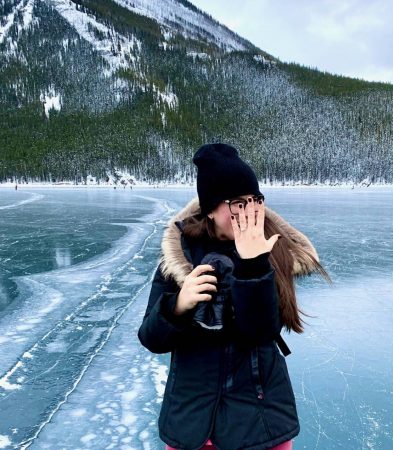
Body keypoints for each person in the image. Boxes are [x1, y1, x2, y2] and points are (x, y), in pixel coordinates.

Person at [138, 143, 331, 450]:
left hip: (259, 425)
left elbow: (259, 332)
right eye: (237, 202)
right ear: (211, 209)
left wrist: (254, 266)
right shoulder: (179, 258)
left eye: (256, 200)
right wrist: (177, 306)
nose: (250, 211)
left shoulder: (274, 251)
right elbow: (151, 338)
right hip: (191, 423)